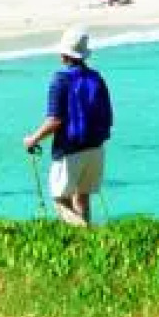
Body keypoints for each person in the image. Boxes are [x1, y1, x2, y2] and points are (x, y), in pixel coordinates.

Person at [22, 27, 113, 227]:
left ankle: (87, 234)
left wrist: (33, 139)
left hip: (70, 150)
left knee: (60, 201)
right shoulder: (96, 77)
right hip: (95, 148)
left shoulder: (60, 79)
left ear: (64, 54)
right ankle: (87, 244)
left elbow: (55, 120)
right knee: (82, 198)